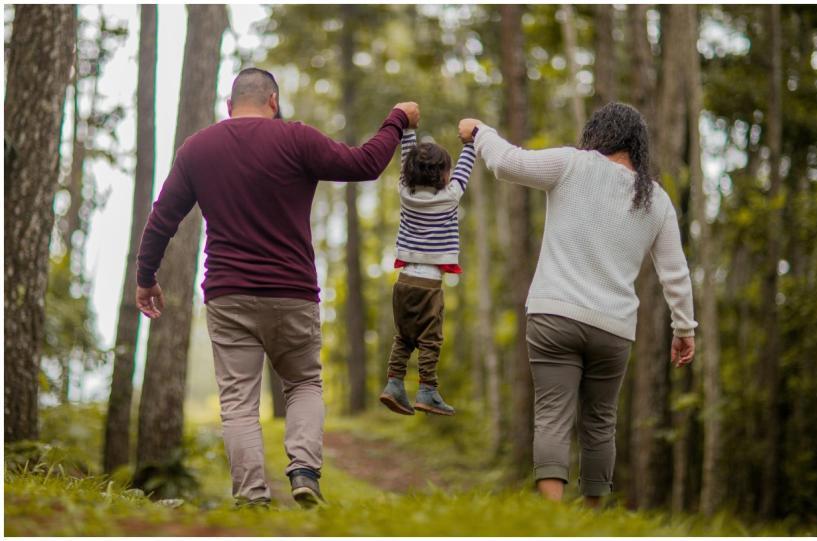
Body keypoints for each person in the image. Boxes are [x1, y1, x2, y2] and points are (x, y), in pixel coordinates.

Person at [135, 67, 420, 508]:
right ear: (273, 100)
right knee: (304, 382)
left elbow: (163, 218)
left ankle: (251, 498)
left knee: (238, 403)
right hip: (292, 291)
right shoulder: (296, 138)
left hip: (228, 294)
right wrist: (397, 119)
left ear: (230, 106)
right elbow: (365, 164)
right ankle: (305, 471)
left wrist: (145, 277)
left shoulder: (198, 148)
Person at [457, 102, 698, 507]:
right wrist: (685, 329)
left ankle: (553, 518)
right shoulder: (656, 200)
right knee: (601, 424)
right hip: (614, 328)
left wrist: (481, 131)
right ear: (637, 146)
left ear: (598, 134)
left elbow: (507, 163)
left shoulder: (572, 164)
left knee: (552, 414)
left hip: (554, 316)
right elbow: (675, 272)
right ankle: (590, 519)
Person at [378, 126, 476, 417]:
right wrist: (470, 143)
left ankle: (394, 383)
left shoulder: (404, 193)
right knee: (430, 339)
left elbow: (406, 156)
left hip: (404, 281)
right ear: (444, 175)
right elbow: (465, 168)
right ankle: (427, 390)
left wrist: (408, 130)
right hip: (430, 285)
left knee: (403, 337)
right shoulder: (450, 196)